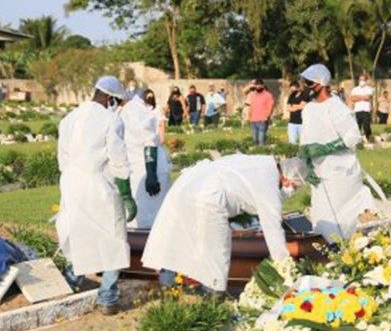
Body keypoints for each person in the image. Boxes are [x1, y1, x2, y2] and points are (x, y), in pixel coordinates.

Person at [142, 155, 306, 292]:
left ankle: (167, 287)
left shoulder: (263, 162)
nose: (291, 191)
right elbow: (274, 232)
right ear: (286, 179)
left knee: (174, 240)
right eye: (294, 187)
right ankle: (212, 296)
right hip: (208, 196)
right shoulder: (269, 187)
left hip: (188, 184)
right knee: (217, 252)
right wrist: (286, 269)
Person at [56, 76, 135, 316]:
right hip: (98, 184)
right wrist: (127, 195)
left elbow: (63, 158)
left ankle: (72, 281)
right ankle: (108, 297)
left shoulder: (69, 119)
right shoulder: (111, 121)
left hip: (70, 183)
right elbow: (118, 159)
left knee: (78, 232)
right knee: (114, 237)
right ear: (110, 98)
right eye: (118, 101)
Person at [298, 64, 375, 243]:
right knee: (320, 214)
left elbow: (353, 136)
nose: (305, 86)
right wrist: (308, 165)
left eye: (308, 82)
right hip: (319, 171)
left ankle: (342, 250)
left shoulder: (336, 106)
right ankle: (326, 250)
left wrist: (326, 148)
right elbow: (305, 140)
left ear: (320, 84)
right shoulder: (308, 109)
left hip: (340, 171)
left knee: (339, 217)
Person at [120, 88, 172, 229]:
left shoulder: (133, 110)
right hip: (139, 169)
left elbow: (149, 140)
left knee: (149, 218)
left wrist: (151, 174)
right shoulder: (126, 110)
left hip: (148, 169)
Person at [248, 79, 275, 146]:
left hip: (262, 120)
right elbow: (251, 106)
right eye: (256, 85)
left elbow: (270, 106)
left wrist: (266, 116)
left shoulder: (268, 95)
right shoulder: (253, 95)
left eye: (260, 85)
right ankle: (256, 154)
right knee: (254, 139)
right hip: (253, 120)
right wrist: (249, 116)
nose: (258, 86)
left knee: (261, 140)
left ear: (263, 85)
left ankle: (262, 153)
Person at [351, 74, 374, 140]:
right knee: (357, 127)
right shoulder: (355, 89)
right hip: (357, 110)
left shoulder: (369, 89)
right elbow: (352, 99)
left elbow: (368, 97)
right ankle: (357, 141)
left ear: (366, 81)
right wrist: (363, 97)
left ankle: (369, 138)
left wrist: (357, 97)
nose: (361, 81)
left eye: (363, 80)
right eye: (360, 79)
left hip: (366, 110)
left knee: (366, 126)